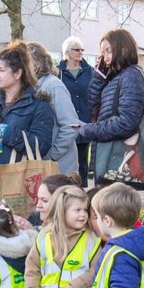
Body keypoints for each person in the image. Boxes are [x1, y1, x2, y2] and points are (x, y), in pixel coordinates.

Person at [75, 29, 144, 181]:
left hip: (119, 157)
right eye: (102, 53)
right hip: (108, 156)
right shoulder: (114, 78)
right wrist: (99, 77)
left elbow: (127, 122)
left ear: (123, 49)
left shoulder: (131, 76)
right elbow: (93, 109)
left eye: (108, 51)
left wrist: (88, 130)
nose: (105, 58)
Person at [0, 42, 55, 165]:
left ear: (17, 74)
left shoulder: (39, 106)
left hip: (18, 178)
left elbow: (41, 147)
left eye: (1, 70)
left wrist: (6, 132)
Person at [28, 42, 79, 175]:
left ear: (36, 64)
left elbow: (71, 126)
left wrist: (51, 156)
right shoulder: (29, 88)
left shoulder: (53, 86)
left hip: (60, 169)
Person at [57, 37, 94, 185]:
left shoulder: (90, 71)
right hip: (65, 123)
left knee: (83, 162)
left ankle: (81, 190)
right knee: (66, 161)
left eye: (82, 50)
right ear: (67, 52)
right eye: (77, 50)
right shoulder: (58, 72)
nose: (80, 53)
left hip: (84, 121)